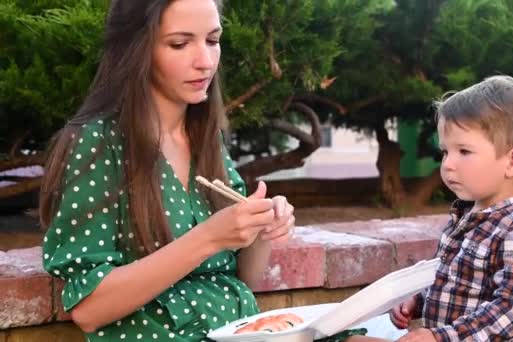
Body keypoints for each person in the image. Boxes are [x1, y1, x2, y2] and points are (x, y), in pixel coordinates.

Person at [38, 1, 376, 341]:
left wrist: (260, 230)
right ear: (135, 49)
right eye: (179, 44)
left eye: (212, 40)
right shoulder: (98, 143)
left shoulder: (205, 138)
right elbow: (88, 308)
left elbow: (241, 279)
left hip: (242, 331)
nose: (205, 61)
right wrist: (208, 237)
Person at [390, 76, 513, 341]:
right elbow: (455, 283)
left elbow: (509, 311)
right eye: (446, 152)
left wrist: (440, 338)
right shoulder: (466, 217)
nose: (447, 164)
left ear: (512, 162)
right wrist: (419, 301)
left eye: (464, 151)